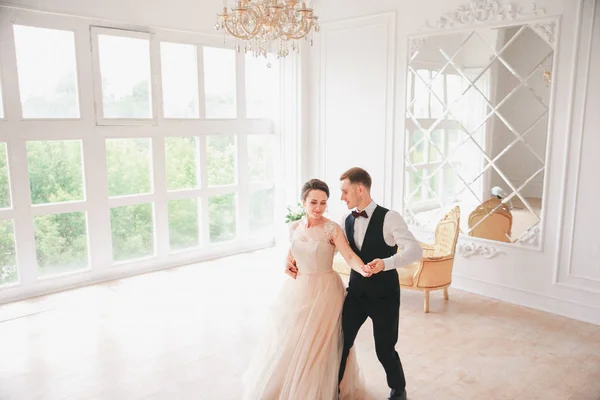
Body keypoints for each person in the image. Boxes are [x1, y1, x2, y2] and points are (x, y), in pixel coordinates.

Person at [242, 179, 368, 400]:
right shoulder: (294, 227)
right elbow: (293, 253)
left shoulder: (332, 228)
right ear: (303, 202)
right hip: (298, 288)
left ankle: (317, 389)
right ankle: (287, 384)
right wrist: (286, 262)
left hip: (326, 289)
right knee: (292, 337)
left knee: (320, 341)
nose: (318, 208)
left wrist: (363, 268)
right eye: (313, 203)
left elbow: (348, 255)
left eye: (323, 203)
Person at [337, 167, 423, 400]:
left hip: (384, 297)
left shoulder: (390, 217)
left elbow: (415, 250)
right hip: (355, 295)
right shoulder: (347, 219)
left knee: (384, 349)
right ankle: (333, 389)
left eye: (345, 191)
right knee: (340, 343)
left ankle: (398, 390)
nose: (342, 197)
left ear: (360, 189)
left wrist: (385, 263)